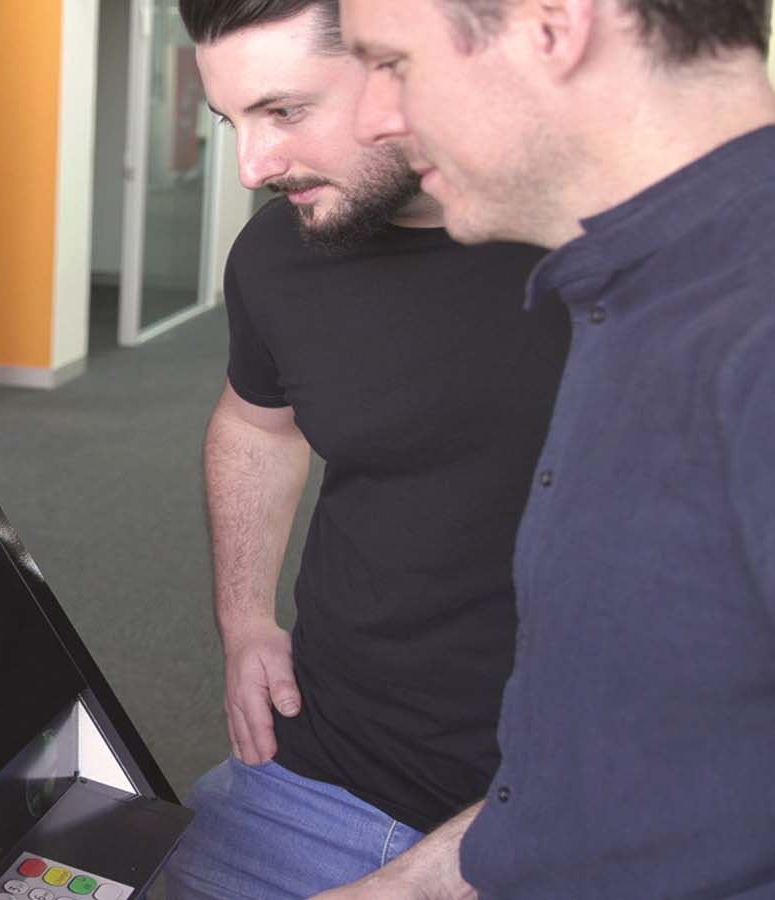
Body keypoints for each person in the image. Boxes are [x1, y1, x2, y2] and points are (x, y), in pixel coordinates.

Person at [317, 0, 775, 896]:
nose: (373, 117)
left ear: (553, 25)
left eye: (393, 63)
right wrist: (406, 885)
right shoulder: (630, 289)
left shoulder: (751, 336)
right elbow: (643, 767)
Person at [162, 1, 571, 896]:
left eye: (286, 111)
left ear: (404, 65)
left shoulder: (622, 257)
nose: (252, 166)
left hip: (582, 811)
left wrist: (423, 880)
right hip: (328, 767)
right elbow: (255, 421)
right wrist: (243, 620)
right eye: (232, 122)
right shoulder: (280, 251)